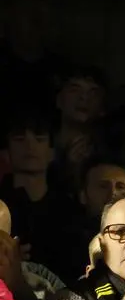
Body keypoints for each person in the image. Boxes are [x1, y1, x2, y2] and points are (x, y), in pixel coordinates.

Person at [0, 110, 86, 284]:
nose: (29, 146)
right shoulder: (1, 206)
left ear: (51, 153)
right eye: (19, 139)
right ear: (6, 154)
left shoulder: (69, 209)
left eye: (39, 139)